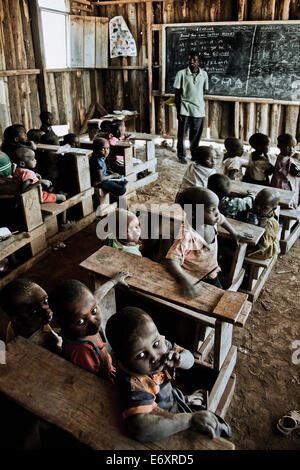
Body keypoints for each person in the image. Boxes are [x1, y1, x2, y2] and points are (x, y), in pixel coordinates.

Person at [105, 306, 232, 442]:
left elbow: (190, 362)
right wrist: (190, 420)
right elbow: (140, 428)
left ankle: (189, 399)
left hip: (173, 398)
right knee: (211, 430)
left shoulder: (162, 346)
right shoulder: (133, 384)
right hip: (162, 420)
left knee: (220, 426)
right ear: (123, 360)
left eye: (155, 344)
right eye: (140, 355)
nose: (154, 356)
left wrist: (181, 359)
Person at [49, 273, 131, 378]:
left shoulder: (85, 306)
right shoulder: (81, 351)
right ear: (62, 324)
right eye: (80, 322)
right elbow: (96, 377)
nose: (93, 322)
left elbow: (96, 296)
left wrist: (114, 281)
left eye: (94, 311)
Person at [165, 187, 241, 295]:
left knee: (219, 294)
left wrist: (234, 232)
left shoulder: (211, 220)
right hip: (192, 279)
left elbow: (222, 219)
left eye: (217, 208)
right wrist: (184, 280)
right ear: (194, 214)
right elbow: (171, 260)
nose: (217, 213)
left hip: (211, 272)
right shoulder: (186, 235)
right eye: (212, 210)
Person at [0, 278, 62, 354]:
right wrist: (59, 344)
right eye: (34, 311)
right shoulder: (47, 342)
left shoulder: (15, 325)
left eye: (45, 301)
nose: (47, 311)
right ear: (18, 319)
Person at [174, 51, 209, 164]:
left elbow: (202, 91)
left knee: (195, 136)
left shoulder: (204, 74)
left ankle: (194, 155)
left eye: (195, 60)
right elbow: (177, 94)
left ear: (198, 61)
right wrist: (178, 111)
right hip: (185, 108)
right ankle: (181, 155)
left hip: (199, 109)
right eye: (190, 59)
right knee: (182, 134)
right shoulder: (181, 74)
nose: (192, 62)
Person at [246, 188, 280, 259]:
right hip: (252, 241)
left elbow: (264, 245)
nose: (258, 208)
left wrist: (262, 224)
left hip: (262, 250)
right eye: (256, 203)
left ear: (273, 209)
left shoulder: (271, 223)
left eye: (264, 207)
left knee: (229, 251)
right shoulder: (258, 211)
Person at [271, 133, 300, 209]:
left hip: (279, 182)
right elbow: (294, 172)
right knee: (285, 199)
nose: (292, 149)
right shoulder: (284, 160)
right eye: (288, 147)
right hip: (283, 184)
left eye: (293, 147)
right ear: (279, 147)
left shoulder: (282, 156)